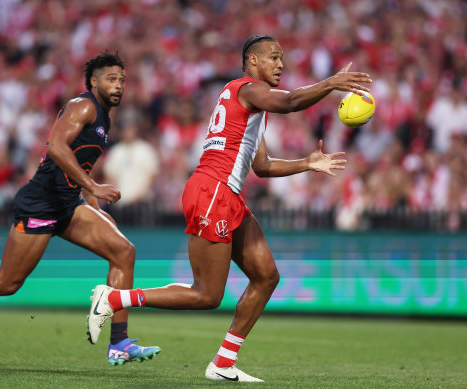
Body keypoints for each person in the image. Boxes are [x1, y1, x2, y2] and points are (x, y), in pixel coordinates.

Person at [86, 35, 372, 382]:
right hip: (212, 191)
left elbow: (263, 166)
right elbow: (293, 101)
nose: (280, 64)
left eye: (282, 59)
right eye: (273, 58)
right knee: (206, 294)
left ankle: (223, 363)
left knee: (267, 276)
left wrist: (307, 163)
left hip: (226, 194)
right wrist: (331, 84)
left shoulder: (251, 103)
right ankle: (116, 299)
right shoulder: (249, 89)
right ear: (253, 61)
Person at [0, 51, 160, 366]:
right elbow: (57, 147)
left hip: (67, 203)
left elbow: (82, 162)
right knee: (6, 283)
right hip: (41, 202)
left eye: (122, 79)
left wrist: (92, 202)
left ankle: (119, 343)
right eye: (111, 79)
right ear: (93, 82)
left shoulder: (104, 116)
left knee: (124, 252)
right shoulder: (83, 106)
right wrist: (93, 188)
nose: (119, 85)